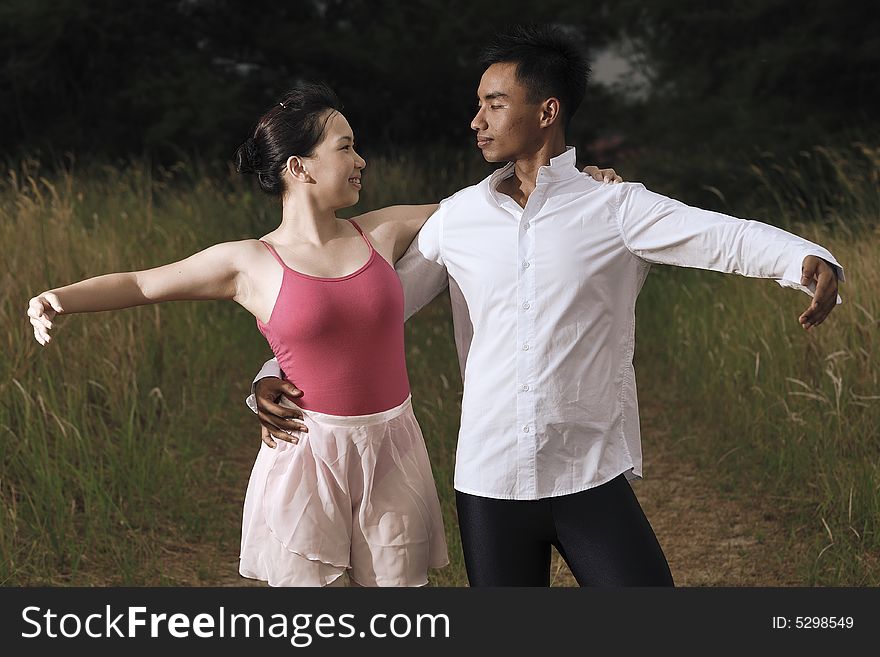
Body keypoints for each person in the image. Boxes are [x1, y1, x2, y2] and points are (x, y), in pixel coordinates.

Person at [251, 25, 844, 586]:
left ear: (547, 111)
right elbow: (371, 312)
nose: (476, 120)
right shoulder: (459, 217)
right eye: (478, 104)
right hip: (488, 481)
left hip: (586, 471)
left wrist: (804, 260)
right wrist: (273, 373)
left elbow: (719, 236)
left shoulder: (614, 208)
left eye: (494, 103)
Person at [26, 82, 621, 587]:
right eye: (346, 147)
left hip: (392, 448)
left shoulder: (380, 233)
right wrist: (61, 298)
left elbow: (487, 206)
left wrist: (582, 186)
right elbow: (141, 283)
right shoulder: (247, 262)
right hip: (307, 456)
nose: (361, 160)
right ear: (299, 167)